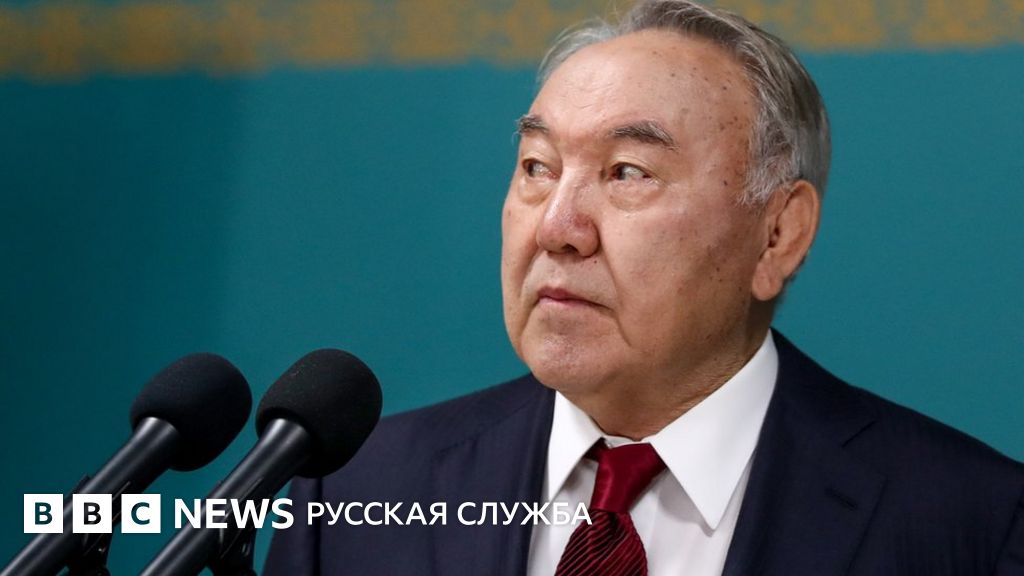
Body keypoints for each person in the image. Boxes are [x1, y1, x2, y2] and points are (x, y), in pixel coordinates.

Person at [265, 1, 1024, 574]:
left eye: (628, 172)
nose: (558, 227)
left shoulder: (972, 525)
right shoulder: (355, 492)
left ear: (777, 235)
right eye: (537, 167)